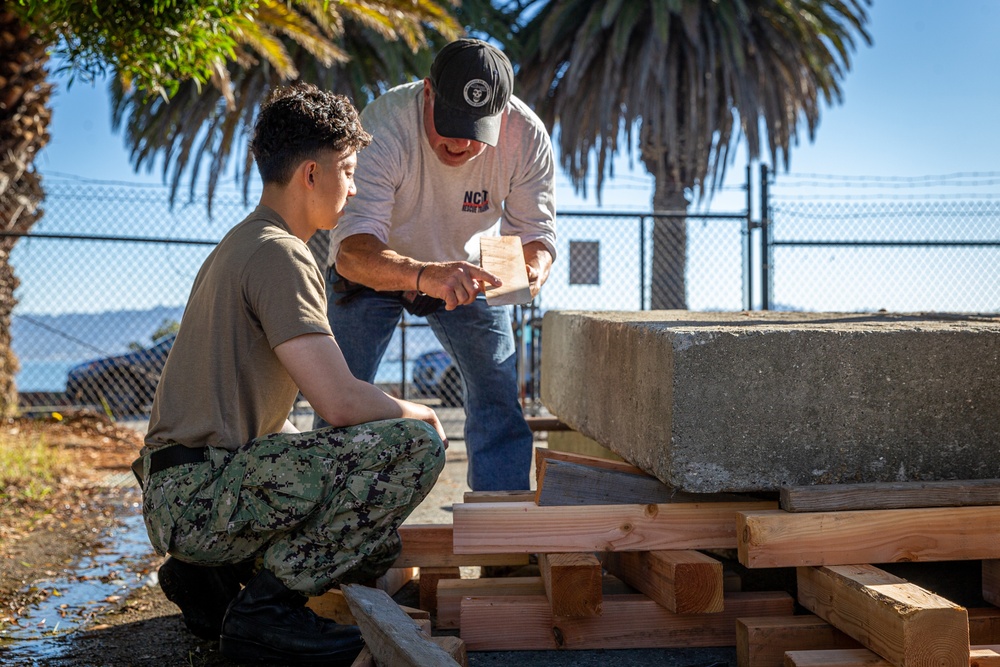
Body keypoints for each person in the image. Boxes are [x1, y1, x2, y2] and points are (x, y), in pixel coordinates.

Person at [133, 84, 447, 666]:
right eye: (347, 171)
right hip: (200, 495)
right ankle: (263, 617)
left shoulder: (244, 242)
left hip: (184, 491)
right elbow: (340, 403)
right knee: (413, 448)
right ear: (310, 173)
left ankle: (214, 583)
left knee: (374, 539)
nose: (353, 188)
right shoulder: (281, 253)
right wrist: (421, 416)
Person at [315, 38, 557, 492]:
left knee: (498, 393)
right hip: (375, 269)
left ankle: (499, 532)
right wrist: (425, 274)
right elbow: (352, 251)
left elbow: (536, 237)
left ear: (503, 114)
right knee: (338, 401)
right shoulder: (384, 126)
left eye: (477, 130)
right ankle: (325, 529)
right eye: (450, 123)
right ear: (427, 91)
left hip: (465, 271)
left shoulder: (527, 136)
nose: (461, 143)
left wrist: (531, 270)